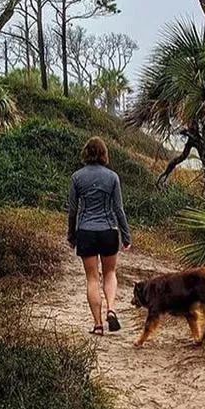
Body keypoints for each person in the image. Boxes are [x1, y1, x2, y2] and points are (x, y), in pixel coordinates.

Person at [67, 136, 131, 335]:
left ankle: (97, 325)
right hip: (108, 231)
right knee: (110, 273)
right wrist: (126, 235)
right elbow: (119, 209)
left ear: (86, 153)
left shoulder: (77, 177)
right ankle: (111, 309)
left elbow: (73, 210)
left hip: (86, 231)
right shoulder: (112, 177)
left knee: (92, 278)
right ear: (104, 153)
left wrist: (71, 235)